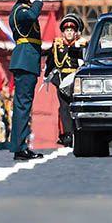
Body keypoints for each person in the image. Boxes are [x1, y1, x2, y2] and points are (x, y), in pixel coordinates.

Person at [7, 0, 43, 161]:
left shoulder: (20, 9)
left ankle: (20, 146)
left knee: (23, 106)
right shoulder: (21, 11)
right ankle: (20, 148)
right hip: (25, 61)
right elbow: (31, 16)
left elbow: (32, 40)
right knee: (23, 106)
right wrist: (38, 2)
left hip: (27, 59)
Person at [46, 14, 84, 147]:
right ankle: (67, 135)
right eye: (67, 30)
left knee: (78, 106)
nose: (69, 33)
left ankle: (79, 132)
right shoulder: (57, 45)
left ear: (76, 32)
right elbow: (51, 61)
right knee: (64, 108)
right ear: (63, 32)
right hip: (62, 81)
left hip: (77, 80)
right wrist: (49, 76)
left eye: (71, 30)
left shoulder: (82, 45)